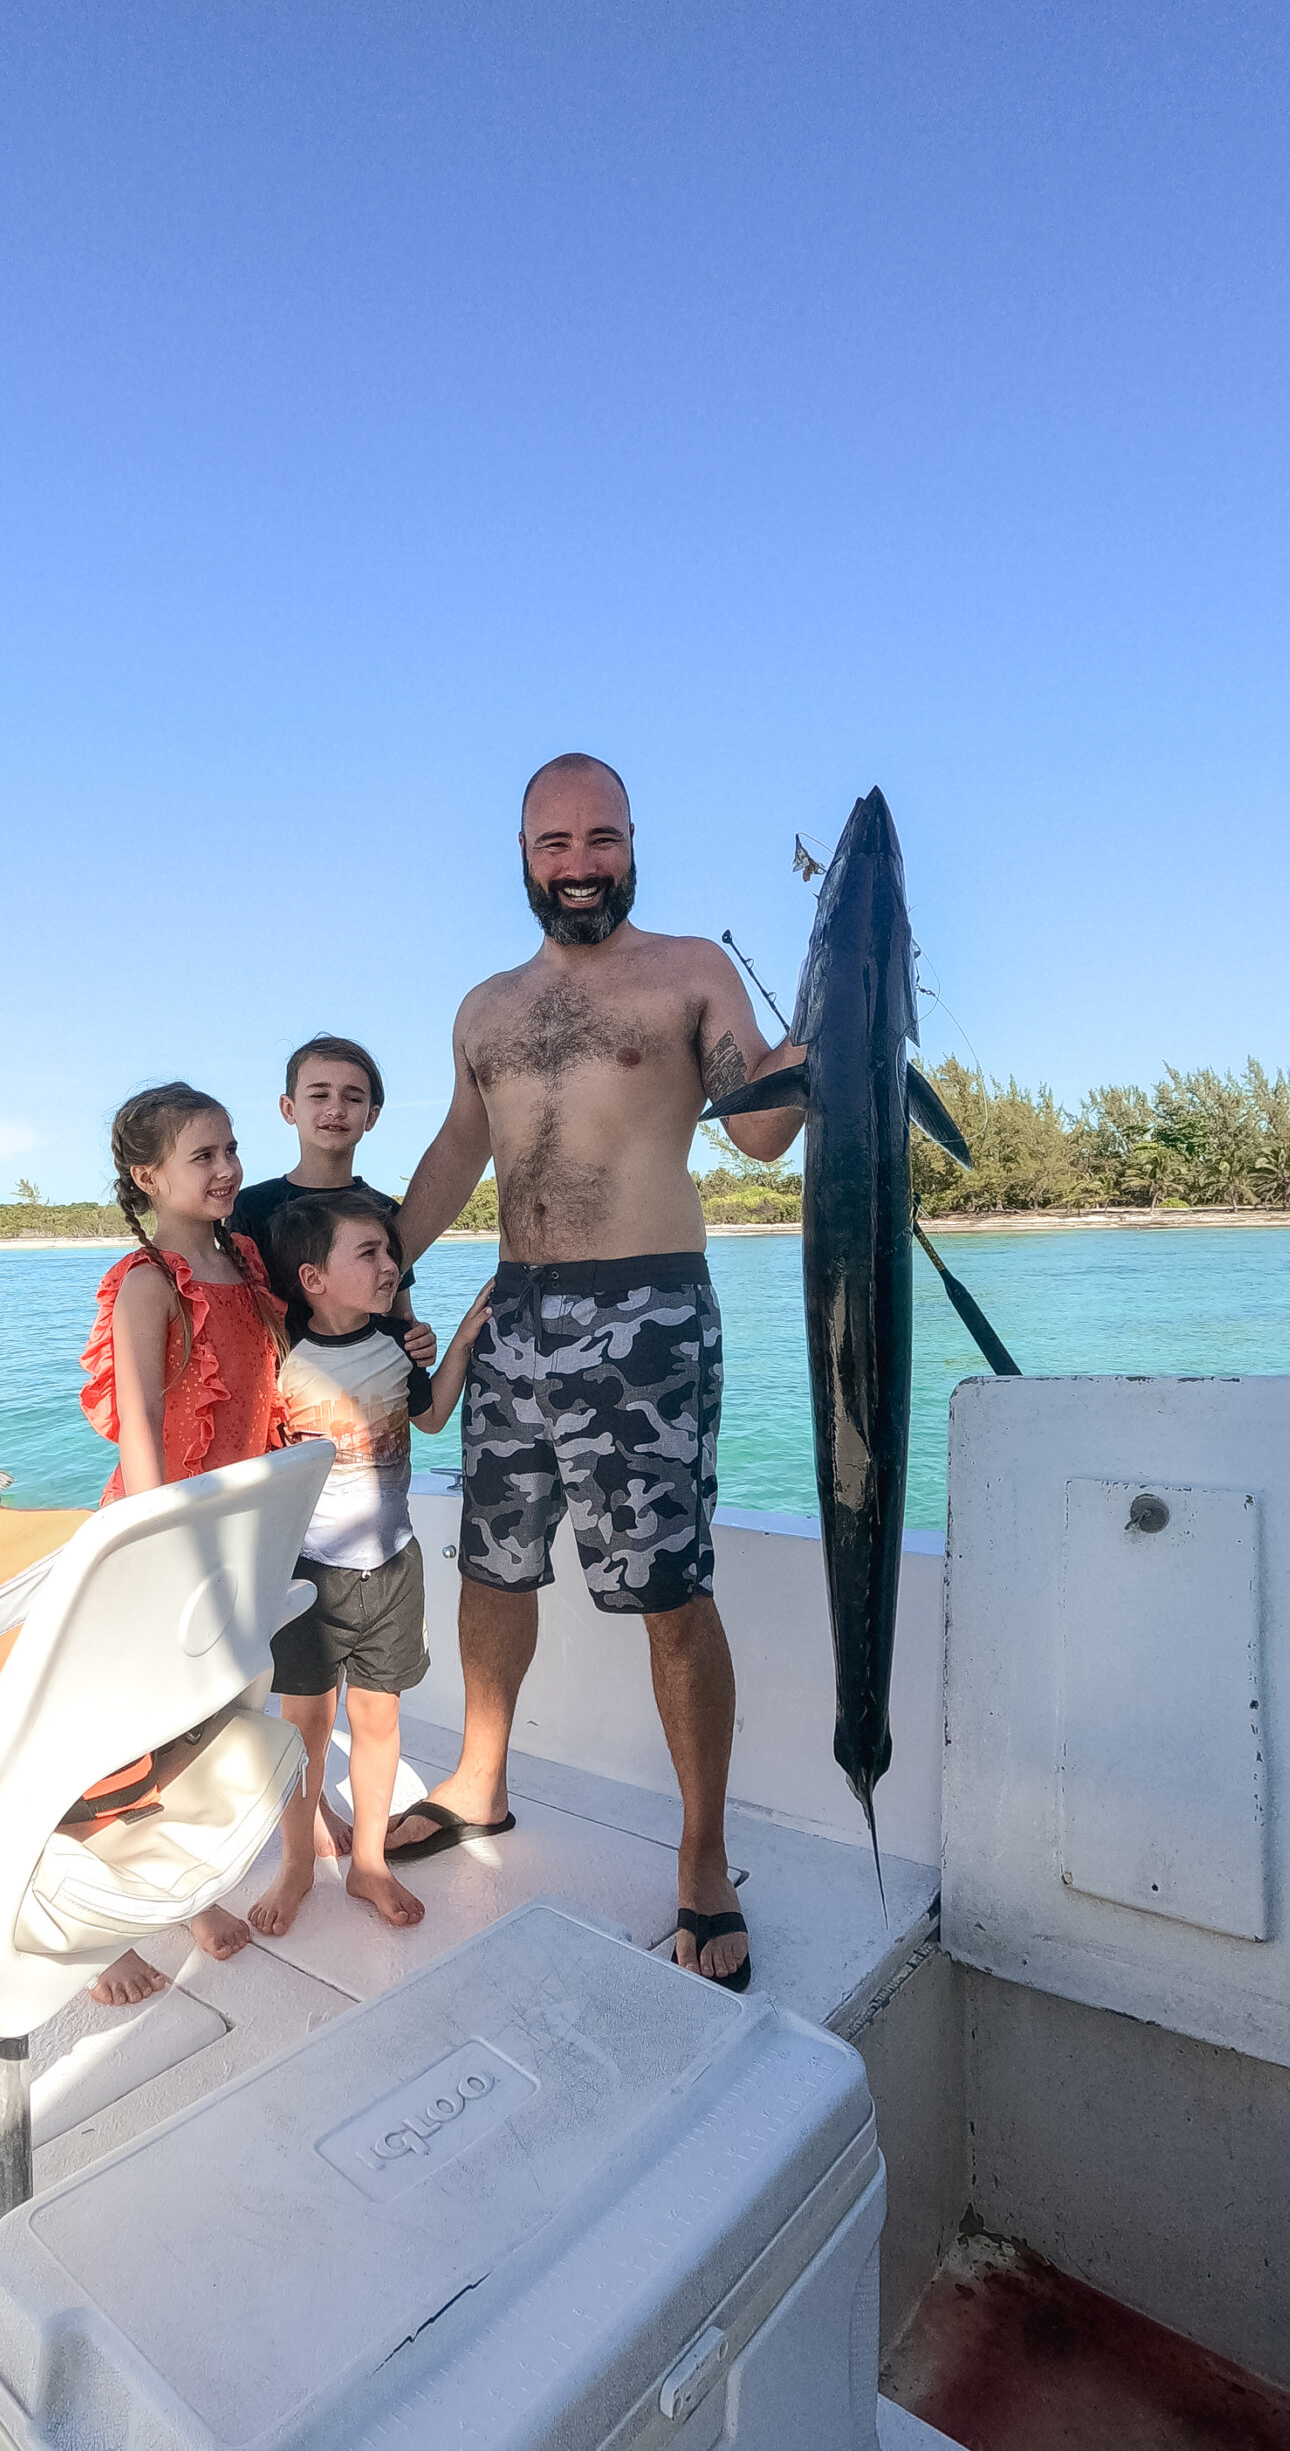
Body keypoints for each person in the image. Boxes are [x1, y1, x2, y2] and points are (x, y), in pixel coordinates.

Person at [385, 754, 807, 1992]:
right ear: (521, 855)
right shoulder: (484, 1008)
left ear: (634, 843)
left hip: (649, 1315)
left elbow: (765, 1136)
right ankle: (477, 1781)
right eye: (554, 843)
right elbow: (458, 1152)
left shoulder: (688, 972)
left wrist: (808, 1045)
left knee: (670, 1593)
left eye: (601, 838)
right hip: (510, 1314)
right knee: (490, 1567)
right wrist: (359, 1274)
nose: (578, 864)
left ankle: (703, 1858)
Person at [74, 1079, 293, 2005]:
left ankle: (188, 1894)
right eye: (202, 1155)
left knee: (218, 1725)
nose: (228, 1168)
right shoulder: (149, 1284)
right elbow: (140, 1431)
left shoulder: (244, 1259)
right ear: (146, 1176)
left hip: (238, 1533)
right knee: (128, 1741)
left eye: (231, 1149)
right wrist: (165, 1552)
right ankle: (96, 1931)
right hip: (163, 1538)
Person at [248, 1194, 491, 1938]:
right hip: (310, 1576)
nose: (391, 1267)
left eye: (393, 1253)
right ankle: (296, 1864)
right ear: (313, 1278)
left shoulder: (398, 1341)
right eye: (371, 1255)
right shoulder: (281, 1355)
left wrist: (460, 1345)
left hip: (394, 1567)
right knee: (306, 1729)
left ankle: (371, 1864)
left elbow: (431, 1416)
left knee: (379, 1722)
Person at [229, 1032, 437, 1365]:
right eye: (319, 1095)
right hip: (279, 1391)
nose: (335, 1109)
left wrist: (419, 1341)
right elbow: (238, 1312)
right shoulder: (250, 1207)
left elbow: (399, 1314)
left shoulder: (385, 1211)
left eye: (353, 1098)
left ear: (371, 1116)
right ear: (289, 1108)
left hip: (369, 1394)